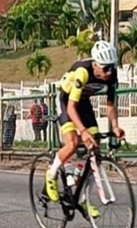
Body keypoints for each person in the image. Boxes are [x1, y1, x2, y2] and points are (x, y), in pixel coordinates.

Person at [45, 41, 125, 217]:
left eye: (112, 67)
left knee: (94, 149)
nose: (109, 72)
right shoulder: (83, 72)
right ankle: (51, 174)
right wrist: (82, 131)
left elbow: (110, 105)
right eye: (105, 69)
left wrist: (116, 126)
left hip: (84, 102)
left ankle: (82, 196)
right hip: (67, 101)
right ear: (95, 65)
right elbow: (72, 107)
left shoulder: (112, 75)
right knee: (73, 143)